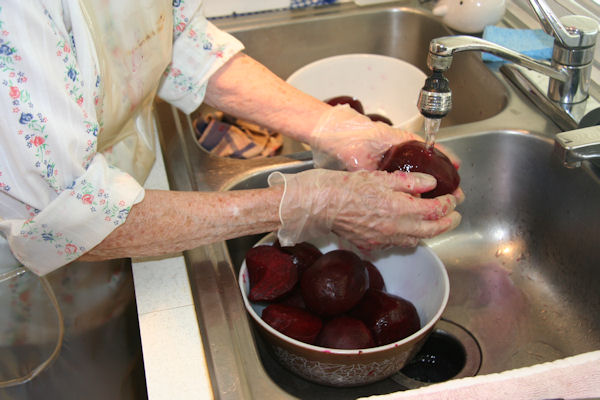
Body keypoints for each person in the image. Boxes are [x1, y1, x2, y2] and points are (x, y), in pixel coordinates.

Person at [0, 1, 463, 398]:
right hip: (22, 275)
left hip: (113, 204)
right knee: (53, 381)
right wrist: (306, 203)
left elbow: (166, 35)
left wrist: (333, 126)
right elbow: (70, 213)